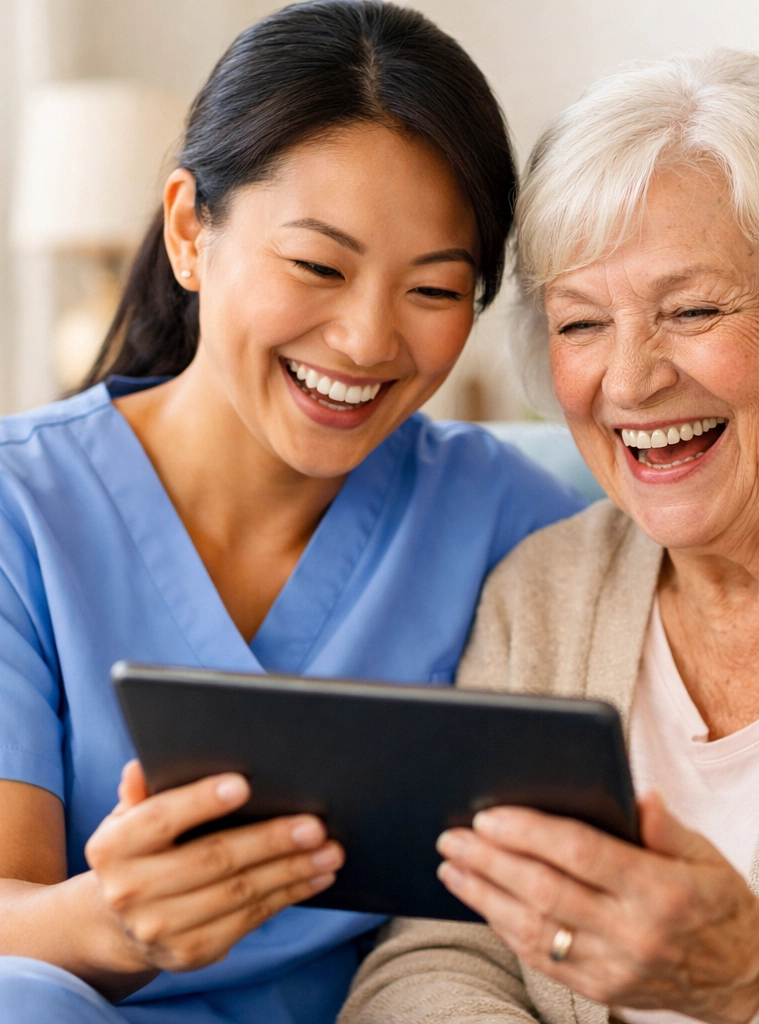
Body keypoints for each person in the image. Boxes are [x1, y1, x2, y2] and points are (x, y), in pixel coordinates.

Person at [340, 50, 759, 1024]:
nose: (626, 381)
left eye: (692, 310)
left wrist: (758, 969)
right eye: (581, 324)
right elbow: (433, 954)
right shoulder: (542, 593)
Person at [0, 3, 584, 1022]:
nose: (365, 340)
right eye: (318, 266)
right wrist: (117, 921)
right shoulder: (24, 507)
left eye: (435, 290)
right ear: (190, 227)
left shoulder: (514, 520)